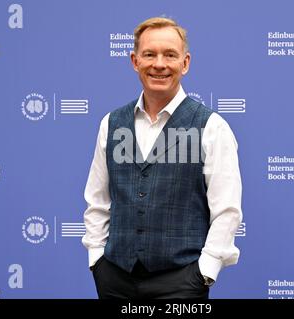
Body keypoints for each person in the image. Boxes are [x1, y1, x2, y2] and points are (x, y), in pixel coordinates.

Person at [82, 16, 242, 299]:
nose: (159, 64)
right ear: (134, 61)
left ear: (185, 63)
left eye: (170, 55)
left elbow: (226, 210)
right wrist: (97, 259)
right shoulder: (112, 123)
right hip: (115, 280)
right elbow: (98, 200)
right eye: (149, 54)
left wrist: (205, 272)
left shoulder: (211, 126)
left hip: (182, 283)